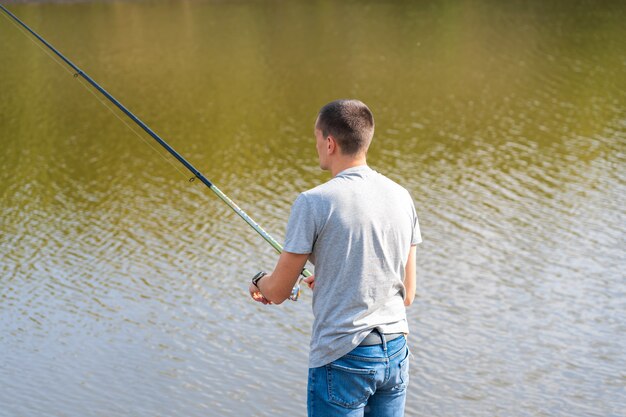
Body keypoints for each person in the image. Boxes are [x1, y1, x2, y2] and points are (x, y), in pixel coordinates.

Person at [248, 99, 421, 417]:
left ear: (329, 142)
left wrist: (257, 281)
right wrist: (332, 281)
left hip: (343, 358)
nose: (317, 147)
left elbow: (278, 291)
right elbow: (406, 294)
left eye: (317, 139)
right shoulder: (401, 197)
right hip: (395, 352)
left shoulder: (313, 202)